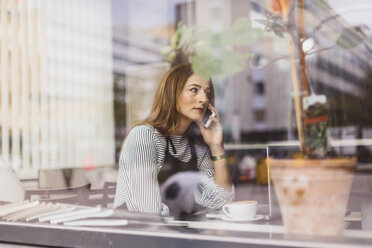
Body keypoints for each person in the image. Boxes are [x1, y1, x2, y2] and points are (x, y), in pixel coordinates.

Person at [113, 63, 234, 216]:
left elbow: (223, 201)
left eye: (207, 92)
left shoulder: (196, 145)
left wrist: (217, 147)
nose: (204, 99)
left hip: (180, 234)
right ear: (172, 94)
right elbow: (145, 211)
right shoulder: (144, 136)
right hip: (141, 235)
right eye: (194, 90)